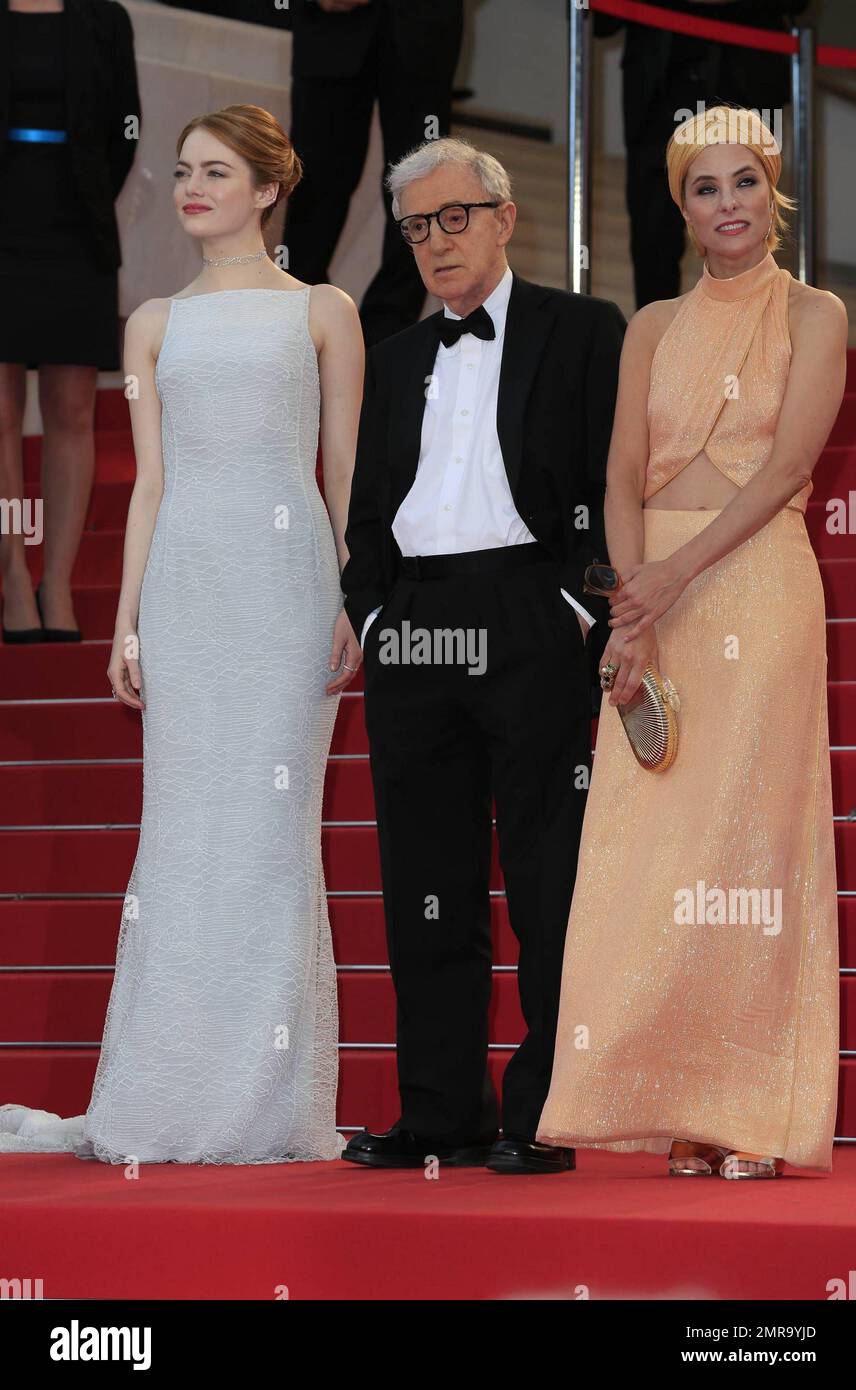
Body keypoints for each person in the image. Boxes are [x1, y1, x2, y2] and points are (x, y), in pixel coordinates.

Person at [0, 104, 364, 1162]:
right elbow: (152, 485)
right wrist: (124, 623)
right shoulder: (152, 321)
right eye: (183, 170)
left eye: (216, 171)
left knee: (269, 839)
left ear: (266, 189)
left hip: (288, 589)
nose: (192, 187)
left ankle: (270, 1097)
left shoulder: (324, 311)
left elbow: (344, 473)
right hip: (189, 595)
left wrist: (350, 591)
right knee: (184, 839)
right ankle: (169, 1093)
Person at [537, 105, 847, 1179]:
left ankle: (749, 1109)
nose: (728, 204)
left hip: (753, 587)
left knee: (747, 847)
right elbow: (618, 474)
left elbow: (781, 472)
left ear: (774, 192)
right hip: (651, 599)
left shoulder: (812, 313)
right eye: (704, 187)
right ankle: (676, 1096)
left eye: (744, 182)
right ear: (680, 206)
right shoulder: (652, 327)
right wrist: (631, 598)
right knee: (653, 848)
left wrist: (669, 578)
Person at [338, 137, 626, 1174]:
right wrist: (371, 616)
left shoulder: (586, 330)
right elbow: (369, 510)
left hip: (528, 612)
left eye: (453, 217)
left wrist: (570, 606)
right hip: (414, 622)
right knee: (425, 876)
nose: (434, 241)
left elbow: (611, 478)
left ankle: (538, 1112)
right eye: (416, 226)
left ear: (505, 217)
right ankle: (439, 1111)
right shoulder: (396, 356)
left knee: (543, 872)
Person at [0, 0, 140, 643]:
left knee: (72, 413)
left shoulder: (105, 18)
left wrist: (82, 194)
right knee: (0, 417)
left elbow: (123, 131)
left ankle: (55, 580)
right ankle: (11, 576)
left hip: (76, 230)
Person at [593, 0, 808, 308]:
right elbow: (601, 20)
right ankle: (658, 345)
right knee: (653, 237)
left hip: (747, 76)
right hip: (660, 87)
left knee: (749, 225)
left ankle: (757, 339)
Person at [284, 0, 463, 346]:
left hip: (421, 24)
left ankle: (385, 339)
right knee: (312, 180)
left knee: (420, 187)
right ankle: (296, 321)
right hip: (328, 22)